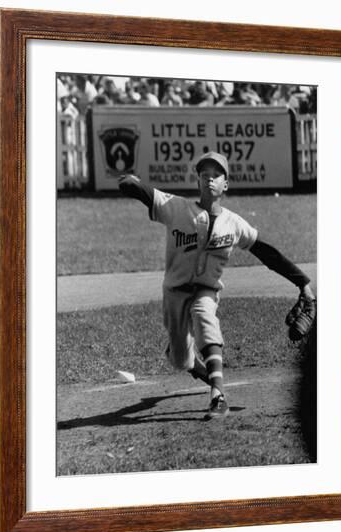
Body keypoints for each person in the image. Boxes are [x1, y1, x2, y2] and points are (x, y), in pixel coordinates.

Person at [118, 152, 316, 420]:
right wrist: (131, 182)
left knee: (204, 316)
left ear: (226, 185)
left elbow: (267, 253)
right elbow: (145, 192)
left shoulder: (234, 224)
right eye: (204, 175)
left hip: (206, 290)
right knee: (180, 360)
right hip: (174, 293)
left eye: (216, 175)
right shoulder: (176, 208)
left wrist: (302, 282)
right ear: (197, 182)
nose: (209, 179)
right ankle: (193, 362)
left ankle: (218, 396)